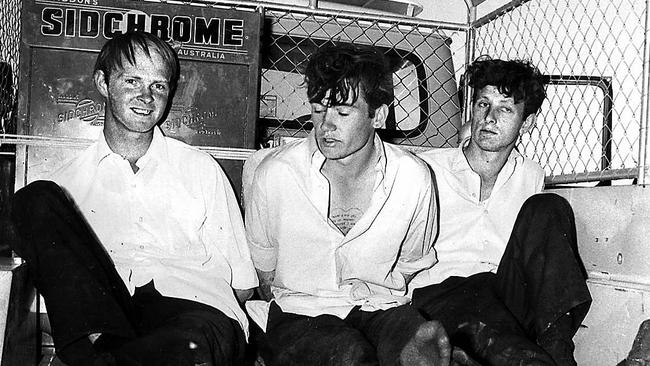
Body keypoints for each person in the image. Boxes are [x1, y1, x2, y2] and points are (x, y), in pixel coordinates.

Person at [9, 31, 258, 366]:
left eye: (159, 85)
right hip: (109, 320)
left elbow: (242, 286)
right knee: (34, 198)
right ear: (102, 82)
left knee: (192, 343)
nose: (146, 96)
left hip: (193, 315)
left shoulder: (200, 169)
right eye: (132, 81)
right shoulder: (68, 182)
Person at [245, 43, 451, 366]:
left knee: (418, 343)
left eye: (342, 112)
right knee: (348, 353)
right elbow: (264, 275)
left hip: (380, 307)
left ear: (378, 115)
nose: (325, 125)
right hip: (301, 312)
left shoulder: (413, 179)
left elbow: (412, 262)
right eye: (318, 109)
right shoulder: (275, 175)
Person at [410, 58, 592, 366]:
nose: (489, 118)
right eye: (483, 104)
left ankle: (557, 351)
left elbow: (537, 259)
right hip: (439, 296)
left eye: (505, 108)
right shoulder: (427, 168)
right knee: (477, 294)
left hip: (502, 297)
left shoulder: (531, 175)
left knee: (549, 206)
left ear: (528, 122)